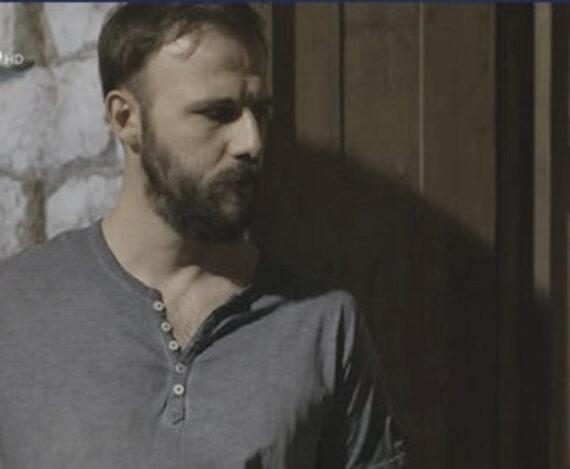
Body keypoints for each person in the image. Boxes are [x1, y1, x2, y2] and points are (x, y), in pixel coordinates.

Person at [0, 4, 407, 468]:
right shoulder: (15, 309)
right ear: (125, 118)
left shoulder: (322, 325)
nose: (251, 142)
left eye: (260, 112)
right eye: (217, 113)